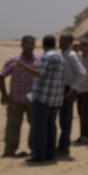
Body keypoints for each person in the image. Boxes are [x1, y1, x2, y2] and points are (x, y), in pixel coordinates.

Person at [18, 35, 64, 164]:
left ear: (43, 45)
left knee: (40, 128)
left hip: (43, 97)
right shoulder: (60, 57)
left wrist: (24, 66)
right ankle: (50, 153)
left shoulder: (46, 57)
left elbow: (39, 74)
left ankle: (39, 155)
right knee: (51, 127)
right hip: (55, 98)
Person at [1, 35, 38, 157]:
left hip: (32, 99)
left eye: (32, 44)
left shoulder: (38, 60)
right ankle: (10, 150)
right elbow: (2, 76)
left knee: (35, 124)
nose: (30, 46)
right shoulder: (14, 60)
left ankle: (34, 148)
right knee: (13, 125)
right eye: (27, 44)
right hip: (15, 99)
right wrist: (4, 94)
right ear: (22, 45)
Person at [56, 34, 86, 156]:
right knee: (59, 119)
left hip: (67, 90)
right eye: (60, 40)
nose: (61, 42)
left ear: (70, 42)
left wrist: (71, 89)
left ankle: (64, 147)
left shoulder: (71, 55)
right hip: (60, 89)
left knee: (65, 120)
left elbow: (82, 73)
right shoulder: (63, 54)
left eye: (64, 40)